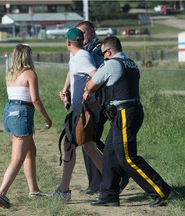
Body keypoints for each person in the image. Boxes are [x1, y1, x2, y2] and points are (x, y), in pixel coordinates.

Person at [83, 36, 173, 207]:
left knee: (127, 158)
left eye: (103, 54)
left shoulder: (111, 64)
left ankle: (161, 190)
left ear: (109, 51)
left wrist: (88, 88)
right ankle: (109, 195)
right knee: (109, 155)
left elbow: (90, 85)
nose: (103, 57)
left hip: (124, 113)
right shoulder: (130, 63)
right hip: (129, 111)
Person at [0, 44, 52, 209]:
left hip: (9, 112)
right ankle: (2, 194)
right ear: (28, 56)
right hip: (22, 113)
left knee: (30, 151)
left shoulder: (10, 74)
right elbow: (35, 100)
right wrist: (48, 119)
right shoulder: (30, 74)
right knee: (17, 158)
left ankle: (33, 190)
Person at [76, 21, 129, 195]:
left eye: (82, 33)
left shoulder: (98, 49)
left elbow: (99, 75)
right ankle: (97, 182)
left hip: (99, 102)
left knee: (90, 141)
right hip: (92, 100)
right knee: (88, 140)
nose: (79, 37)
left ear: (91, 32)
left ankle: (116, 174)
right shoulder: (84, 51)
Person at [53, 28, 103, 202]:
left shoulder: (82, 57)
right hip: (78, 109)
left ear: (68, 43)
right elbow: (72, 71)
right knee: (87, 147)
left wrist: (88, 90)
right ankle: (110, 183)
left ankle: (64, 190)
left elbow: (97, 76)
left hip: (83, 110)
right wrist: (66, 90)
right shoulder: (75, 56)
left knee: (73, 147)